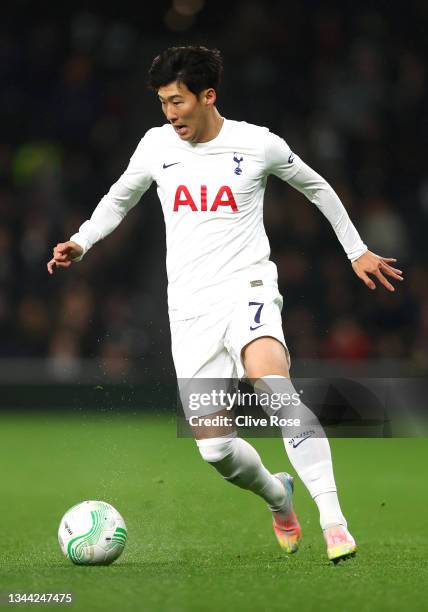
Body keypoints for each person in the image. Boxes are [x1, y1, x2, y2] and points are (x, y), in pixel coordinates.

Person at [47, 46, 403, 562]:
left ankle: (334, 522)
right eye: (162, 103)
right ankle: (279, 497)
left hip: (248, 290)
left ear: (207, 96)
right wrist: (81, 241)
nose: (170, 114)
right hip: (190, 309)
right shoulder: (155, 146)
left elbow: (316, 186)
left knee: (275, 389)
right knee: (215, 449)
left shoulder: (255, 144)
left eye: (177, 101)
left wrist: (357, 250)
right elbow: (119, 198)